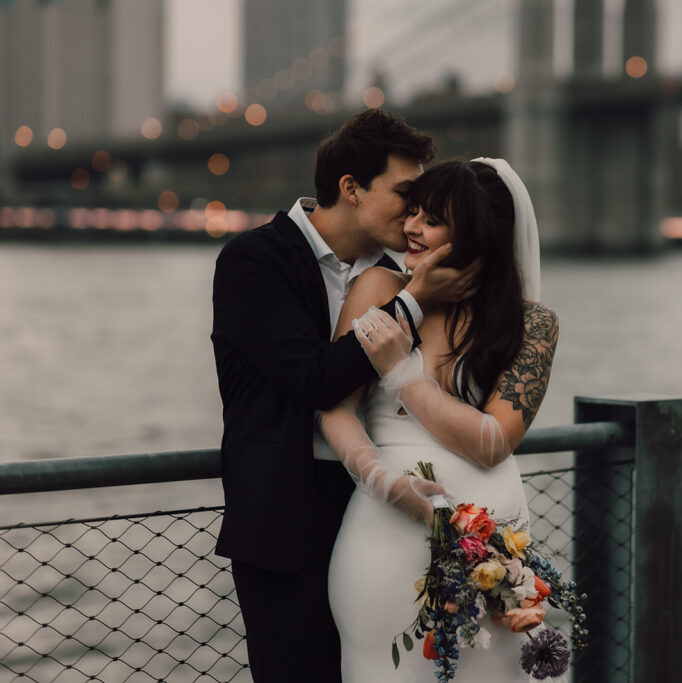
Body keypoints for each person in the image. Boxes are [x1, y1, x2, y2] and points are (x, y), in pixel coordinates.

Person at [211, 109, 475, 682]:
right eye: (406, 194)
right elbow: (313, 378)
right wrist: (412, 303)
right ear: (350, 188)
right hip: (286, 522)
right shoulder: (252, 260)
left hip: (386, 516)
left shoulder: (398, 273)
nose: (415, 213)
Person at [318, 158, 558, 681]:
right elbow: (333, 405)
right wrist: (381, 480)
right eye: (414, 212)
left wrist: (402, 373)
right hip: (384, 534)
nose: (411, 227)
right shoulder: (379, 289)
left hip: (496, 546)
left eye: (432, 219)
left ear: (479, 232)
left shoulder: (533, 324)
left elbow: (493, 441)